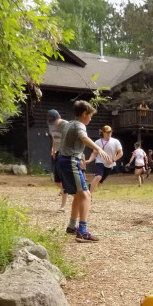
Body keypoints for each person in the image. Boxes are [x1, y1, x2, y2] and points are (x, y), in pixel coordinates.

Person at [56, 100, 107, 242]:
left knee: (78, 196)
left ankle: (72, 226)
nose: (90, 119)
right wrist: (98, 149)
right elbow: (83, 138)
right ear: (84, 114)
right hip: (70, 162)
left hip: (63, 161)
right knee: (86, 195)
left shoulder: (68, 124)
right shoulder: (79, 125)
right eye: (90, 116)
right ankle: (83, 231)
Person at [88, 125, 123, 192]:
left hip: (110, 164)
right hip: (99, 161)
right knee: (98, 177)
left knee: (99, 182)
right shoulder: (97, 142)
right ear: (103, 132)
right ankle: (89, 196)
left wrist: (113, 160)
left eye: (110, 132)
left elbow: (120, 153)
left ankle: (89, 188)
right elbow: (94, 153)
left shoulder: (116, 141)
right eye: (107, 132)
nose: (109, 134)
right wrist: (89, 160)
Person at [47, 109, 69, 212]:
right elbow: (54, 138)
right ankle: (68, 189)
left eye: (55, 120)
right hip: (57, 153)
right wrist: (53, 149)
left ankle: (63, 207)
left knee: (64, 182)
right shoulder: (50, 124)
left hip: (66, 154)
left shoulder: (66, 125)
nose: (54, 123)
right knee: (56, 182)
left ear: (59, 116)